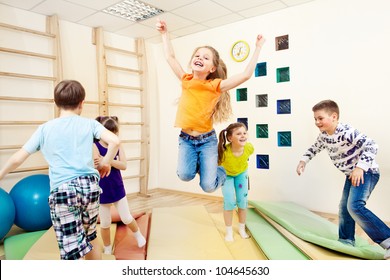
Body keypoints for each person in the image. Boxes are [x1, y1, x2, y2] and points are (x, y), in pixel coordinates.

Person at [0, 80, 120, 260]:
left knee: (72, 251)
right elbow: (115, 142)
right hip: (90, 188)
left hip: (64, 191)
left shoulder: (45, 129)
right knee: (91, 236)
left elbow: (18, 158)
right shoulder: (90, 124)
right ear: (81, 103)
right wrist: (105, 163)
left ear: (56, 103)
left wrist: (1, 175)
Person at [156, 19, 265, 193]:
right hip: (186, 139)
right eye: (197, 56)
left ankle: (220, 171)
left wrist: (258, 47)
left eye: (205, 58)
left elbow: (245, 75)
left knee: (208, 186)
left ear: (212, 68)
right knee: (184, 175)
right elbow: (170, 57)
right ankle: (204, 165)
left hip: (206, 141)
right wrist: (164, 34)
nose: (199, 58)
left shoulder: (215, 86)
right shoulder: (186, 80)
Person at [296, 99, 390, 260]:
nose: (317, 122)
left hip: (367, 172)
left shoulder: (346, 131)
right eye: (315, 119)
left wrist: (360, 167)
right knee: (344, 207)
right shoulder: (324, 136)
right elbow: (314, 148)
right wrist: (303, 160)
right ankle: (346, 240)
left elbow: (372, 145)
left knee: (354, 206)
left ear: (334, 117)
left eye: (320, 118)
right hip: (351, 174)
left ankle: (387, 240)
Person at [94, 116, 146, 255]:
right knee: (105, 223)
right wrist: (104, 162)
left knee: (126, 217)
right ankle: (107, 247)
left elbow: (123, 165)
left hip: (116, 188)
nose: (113, 136)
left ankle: (138, 235)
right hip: (101, 190)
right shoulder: (95, 146)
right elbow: (96, 164)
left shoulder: (117, 146)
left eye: (115, 134)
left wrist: (108, 161)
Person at [218, 122, 254, 241]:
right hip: (227, 176)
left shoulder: (249, 148)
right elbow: (216, 164)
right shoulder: (224, 152)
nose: (243, 136)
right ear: (230, 138)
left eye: (244, 133)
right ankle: (229, 232)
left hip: (241, 174)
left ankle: (241, 229)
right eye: (238, 134)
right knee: (229, 201)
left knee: (242, 201)